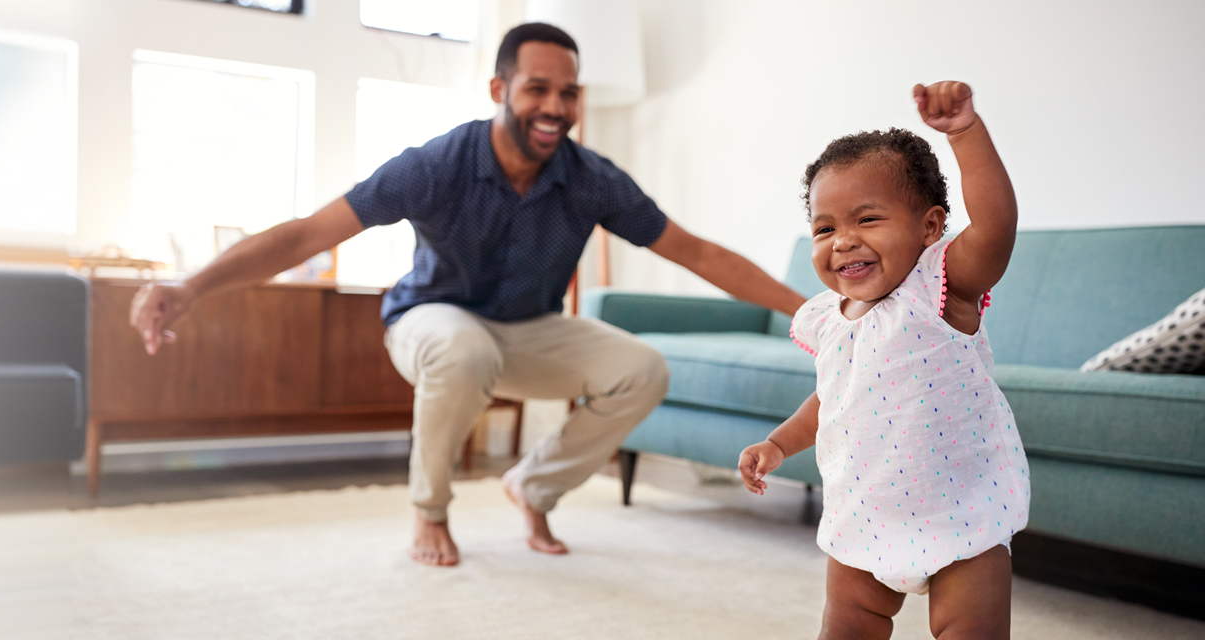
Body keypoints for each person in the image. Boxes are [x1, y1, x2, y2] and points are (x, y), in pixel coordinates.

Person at [130, 23, 805, 567]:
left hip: (529, 328)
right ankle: (430, 511)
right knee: (460, 348)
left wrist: (806, 309)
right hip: (431, 322)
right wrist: (192, 287)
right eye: (538, 88)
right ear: (498, 87)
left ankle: (532, 487)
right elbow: (308, 233)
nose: (555, 108)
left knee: (643, 369)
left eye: (569, 93)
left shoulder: (591, 178)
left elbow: (696, 252)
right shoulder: (436, 165)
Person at [737, 81, 1028, 639]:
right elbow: (833, 398)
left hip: (962, 512)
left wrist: (965, 134)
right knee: (846, 624)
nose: (842, 241)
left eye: (867, 220)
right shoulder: (829, 317)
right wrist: (777, 443)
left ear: (930, 227)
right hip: (864, 511)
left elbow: (996, 229)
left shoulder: (939, 290)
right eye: (825, 228)